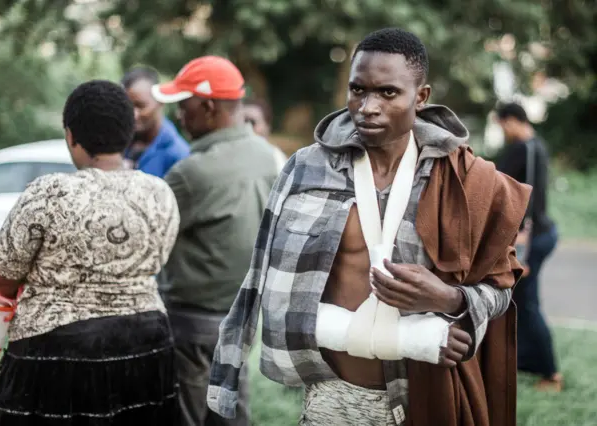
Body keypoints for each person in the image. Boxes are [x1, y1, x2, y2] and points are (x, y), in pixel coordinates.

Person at [208, 28, 531, 426]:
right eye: (358, 90)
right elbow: (255, 277)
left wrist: (451, 300)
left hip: (421, 396)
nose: (367, 107)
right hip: (330, 394)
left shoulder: (466, 181)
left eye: (388, 93)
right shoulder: (306, 167)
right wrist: (225, 379)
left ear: (422, 97)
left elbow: (502, 288)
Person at [0, 80, 181, 425]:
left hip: (56, 351)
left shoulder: (49, 192)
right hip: (145, 343)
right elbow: (159, 259)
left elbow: (2, 275)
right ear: (129, 131)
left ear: (71, 135)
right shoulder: (159, 192)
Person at [152, 56, 279, 426]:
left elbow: (147, 236)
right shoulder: (265, 156)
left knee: (187, 416)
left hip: (193, 323)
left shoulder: (193, 173)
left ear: (208, 107)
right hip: (241, 317)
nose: (178, 115)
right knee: (230, 413)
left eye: (183, 105)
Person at [495, 102, 561, 391]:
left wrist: (523, 253)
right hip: (533, 236)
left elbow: (528, 202)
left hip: (532, 239)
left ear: (511, 120)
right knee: (520, 302)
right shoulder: (532, 146)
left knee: (529, 305)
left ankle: (550, 374)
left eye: (502, 125)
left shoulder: (527, 148)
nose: (503, 131)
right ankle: (524, 363)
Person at [122, 67, 190, 177]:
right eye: (127, 106)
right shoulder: (118, 144)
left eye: (141, 106)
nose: (134, 114)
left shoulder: (179, 155)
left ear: (160, 102)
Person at [243, 98, 289, 172]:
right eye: (241, 123)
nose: (245, 128)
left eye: (251, 122)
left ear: (267, 127)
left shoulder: (276, 159)